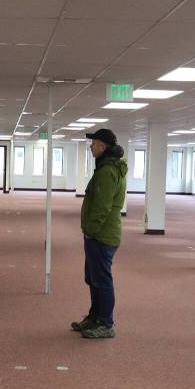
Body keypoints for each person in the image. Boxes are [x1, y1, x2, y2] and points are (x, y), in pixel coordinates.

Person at [71, 128, 127, 339]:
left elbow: (102, 207)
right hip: (99, 234)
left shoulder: (107, 171)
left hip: (102, 235)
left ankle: (106, 323)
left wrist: (90, 231)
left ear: (103, 147)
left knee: (102, 280)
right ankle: (95, 317)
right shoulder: (106, 167)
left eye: (94, 143)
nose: (91, 146)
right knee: (93, 278)